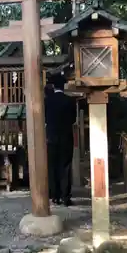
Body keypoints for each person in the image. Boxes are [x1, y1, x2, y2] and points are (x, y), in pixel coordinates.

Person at [44, 72, 77, 206]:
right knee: (65, 166)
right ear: (63, 86)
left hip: (51, 136)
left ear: (53, 86)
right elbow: (73, 119)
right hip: (66, 136)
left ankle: (54, 196)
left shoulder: (47, 101)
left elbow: (45, 118)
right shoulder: (70, 101)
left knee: (52, 166)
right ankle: (65, 197)